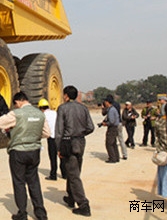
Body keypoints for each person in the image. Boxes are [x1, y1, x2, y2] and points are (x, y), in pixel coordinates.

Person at [0, 91, 49, 220]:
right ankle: (41, 213)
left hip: (18, 151)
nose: (16, 106)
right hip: (34, 151)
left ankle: (22, 214)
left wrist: (14, 128)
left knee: (19, 182)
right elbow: (47, 133)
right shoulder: (40, 114)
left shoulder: (16, 114)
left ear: (19, 101)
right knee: (34, 181)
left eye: (15, 104)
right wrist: (33, 135)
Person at [56, 85, 94, 217]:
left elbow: (59, 130)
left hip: (68, 142)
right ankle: (71, 197)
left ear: (66, 95)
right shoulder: (83, 108)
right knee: (74, 170)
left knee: (73, 175)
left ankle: (83, 204)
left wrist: (58, 147)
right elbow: (91, 127)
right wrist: (80, 134)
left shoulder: (63, 108)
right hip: (80, 142)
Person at [39, 99, 63, 181]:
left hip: (51, 138)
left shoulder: (43, 115)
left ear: (41, 108)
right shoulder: (55, 112)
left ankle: (53, 175)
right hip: (59, 137)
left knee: (53, 158)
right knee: (61, 156)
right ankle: (64, 174)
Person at [101, 97, 120, 163]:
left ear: (107, 102)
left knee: (109, 143)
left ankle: (112, 158)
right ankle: (116, 157)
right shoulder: (112, 109)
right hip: (115, 128)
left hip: (112, 128)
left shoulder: (111, 110)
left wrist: (105, 124)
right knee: (114, 143)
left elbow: (111, 121)